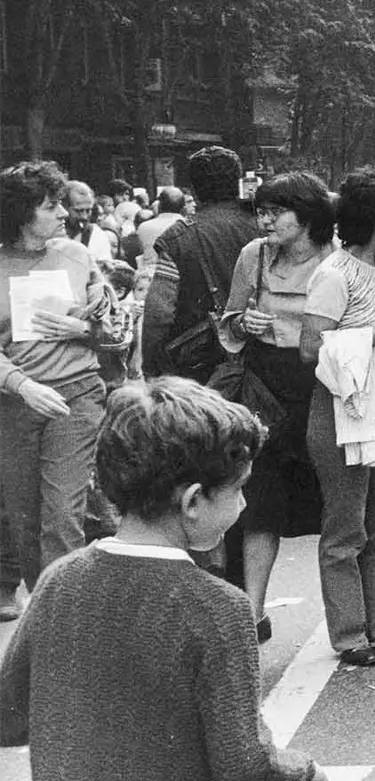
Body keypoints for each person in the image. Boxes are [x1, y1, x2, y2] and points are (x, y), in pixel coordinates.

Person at [0, 377, 330, 781]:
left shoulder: (59, 581)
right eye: (239, 490)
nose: (244, 506)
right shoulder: (219, 609)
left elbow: (8, 716)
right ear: (194, 501)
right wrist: (296, 772)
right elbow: (244, 764)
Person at [301, 167, 375, 666]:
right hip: (344, 405)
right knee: (346, 524)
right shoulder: (333, 273)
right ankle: (349, 632)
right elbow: (311, 347)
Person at [0, 162, 127, 607]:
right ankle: (47, 604)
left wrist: (87, 329)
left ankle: (67, 614)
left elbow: (113, 327)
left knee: (62, 515)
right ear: (20, 212)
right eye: (50, 205)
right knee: (23, 518)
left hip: (77, 394)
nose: (62, 213)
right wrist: (20, 385)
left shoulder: (76, 254)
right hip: (14, 403)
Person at [218, 171, 335, 642]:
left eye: (274, 212)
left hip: (322, 385)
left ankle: (349, 619)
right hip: (263, 389)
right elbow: (227, 324)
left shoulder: (338, 258)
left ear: (306, 215)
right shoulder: (254, 255)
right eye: (261, 211)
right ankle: (252, 612)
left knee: (332, 505)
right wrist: (243, 322)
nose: (264, 220)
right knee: (260, 504)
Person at [143, 146, 258, 385]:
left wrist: (151, 366)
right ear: (237, 182)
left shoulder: (178, 238)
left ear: (193, 190)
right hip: (260, 357)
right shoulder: (266, 224)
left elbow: (159, 314)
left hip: (201, 367)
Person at [63, 179, 116, 266]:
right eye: (78, 211)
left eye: (88, 210)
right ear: (64, 208)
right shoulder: (51, 232)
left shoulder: (97, 235)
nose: (84, 216)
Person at [134, 186, 187, 265]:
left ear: (159, 205)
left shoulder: (143, 227)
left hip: (150, 273)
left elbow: (140, 252)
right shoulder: (189, 226)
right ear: (184, 208)